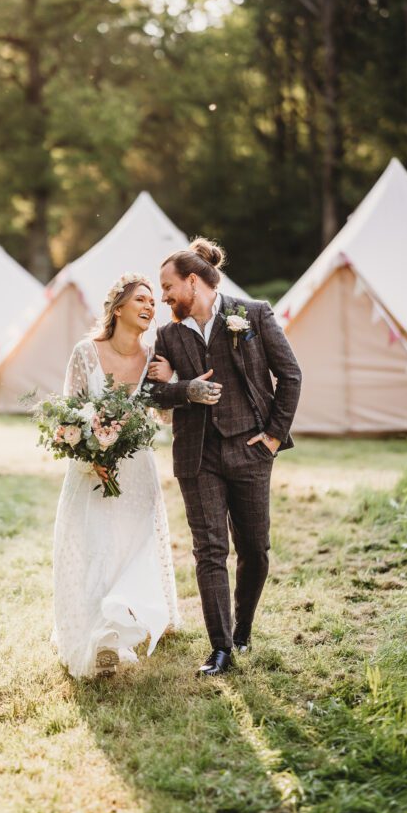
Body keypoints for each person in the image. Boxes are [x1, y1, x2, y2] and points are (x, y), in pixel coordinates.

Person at [147, 239, 302, 676]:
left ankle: (243, 631)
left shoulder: (252, 314)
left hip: (252, 450)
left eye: (168, 286)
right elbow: (152, 391)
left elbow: (290, 375)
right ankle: (220, 650)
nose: (163, 297)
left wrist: (274, 435)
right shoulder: (168, 334)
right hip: (197, 457)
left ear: (193, 281)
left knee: (254, 548)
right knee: (209, 550)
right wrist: (183, 389)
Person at [52, 273, 181, 679]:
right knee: (98, 545)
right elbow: (69, 413)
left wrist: (168, 382)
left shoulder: (153, 359)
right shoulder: (85, 353)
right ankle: (103, 638)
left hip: (137, 468)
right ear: (119, 308)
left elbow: (163, 417)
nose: (149, 307)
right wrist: (90, 451)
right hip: (91, 469)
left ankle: (126, 619)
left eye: (152, 303)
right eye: (140, 299)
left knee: (134, 545)